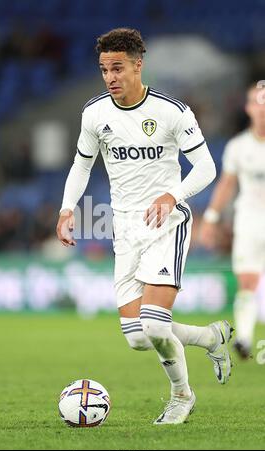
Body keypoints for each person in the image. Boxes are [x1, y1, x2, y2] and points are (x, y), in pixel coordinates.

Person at [56, 28, 233, 425]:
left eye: (117, 68)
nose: (110, 77)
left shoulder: (172, 111)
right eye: (104, 70)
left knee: (154, 323)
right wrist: (68, 209)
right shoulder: (94, 113)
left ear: (138, 65)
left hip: (167, 223)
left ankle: (181, 397)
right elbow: (82, 164)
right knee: (138, 337)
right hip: (125, 229)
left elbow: (206, 167)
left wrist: (173, 196)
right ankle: (210, 337)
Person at [200, 82, 265, 359]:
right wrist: (211, 218)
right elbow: (226, 184)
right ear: (249, 108)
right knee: (247, 281)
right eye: (257, 102)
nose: (262, 109)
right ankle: (246, 340)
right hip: (249, 220)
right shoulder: (238, 146)